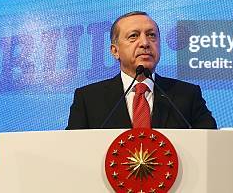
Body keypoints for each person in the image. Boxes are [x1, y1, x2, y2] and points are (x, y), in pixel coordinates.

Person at [66, 11, 217, 129]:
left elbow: (211, 145)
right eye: (133, 36)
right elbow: (73, 151)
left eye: (152, 35)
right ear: (115, 51)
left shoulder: (187, 95)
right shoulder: (88, 99)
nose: (145, 43)